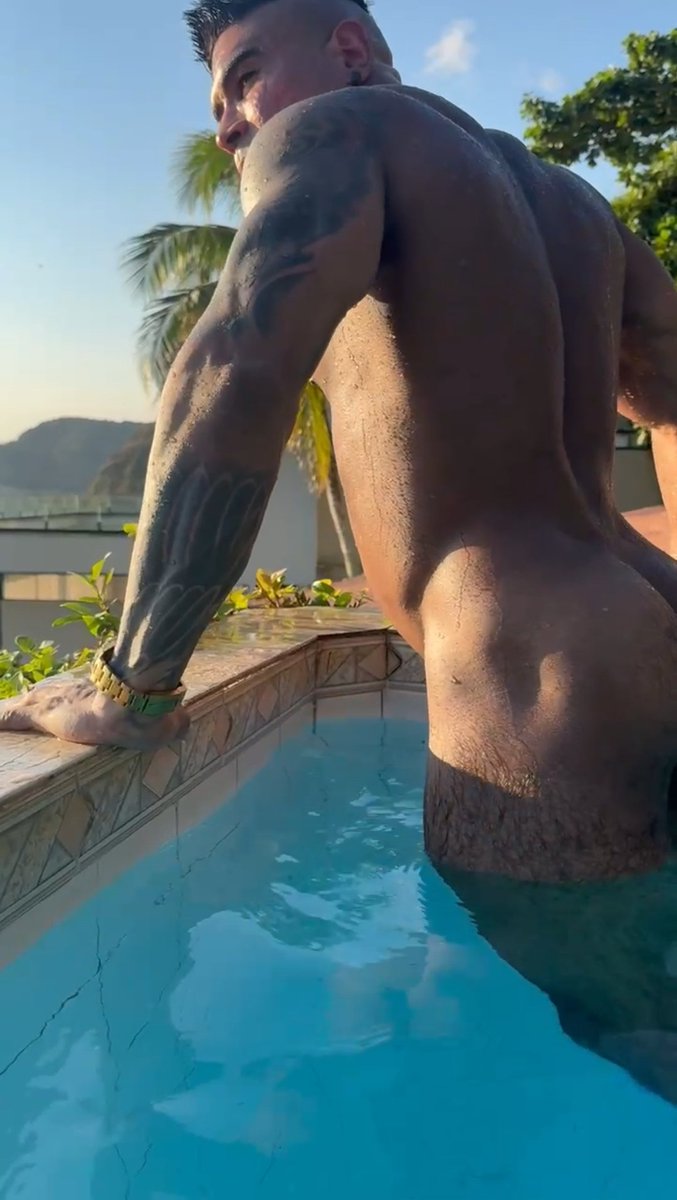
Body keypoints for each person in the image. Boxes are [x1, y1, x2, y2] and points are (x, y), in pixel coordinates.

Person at [1, 0, 677, 882]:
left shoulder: (331, 130)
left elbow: (234, 369)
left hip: (533, 665)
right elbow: (668, 402)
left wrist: (130, 685)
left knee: (567, 973)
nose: (227, 128)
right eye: (217, 108)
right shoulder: (575, 204)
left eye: (245, 78)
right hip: (646, 601)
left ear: (350, 49)